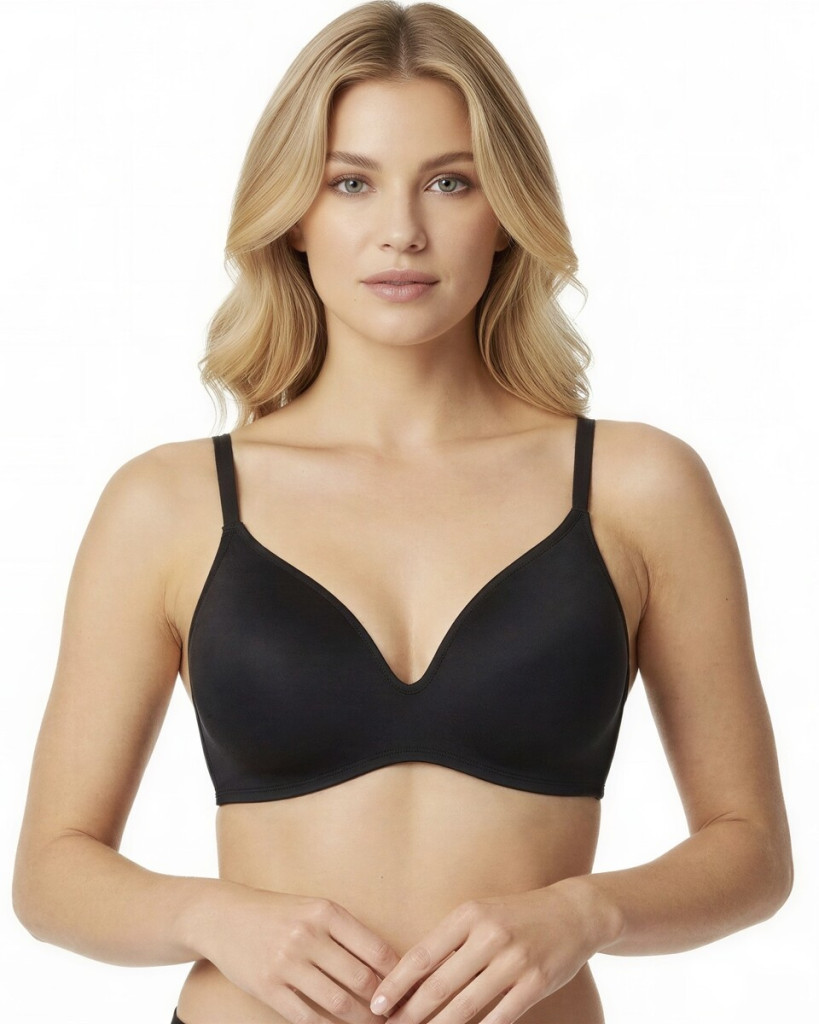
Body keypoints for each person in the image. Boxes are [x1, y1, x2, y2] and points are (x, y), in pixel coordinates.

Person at [12, 2, 793, 1022]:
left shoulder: (637, 487)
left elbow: (750, 849)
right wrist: (210, 916)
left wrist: (583, 912)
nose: (401, 231)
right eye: (351, 182)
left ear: (505, 209)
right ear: (293, 213)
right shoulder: (169, 503)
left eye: (450, 181)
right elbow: (51, 871)